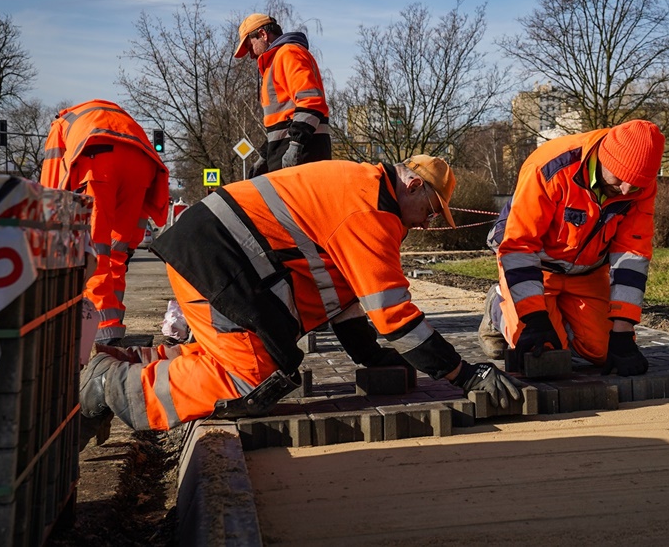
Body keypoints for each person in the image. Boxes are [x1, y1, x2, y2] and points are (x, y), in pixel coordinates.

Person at [78, 155, 522, 442]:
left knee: (233, 354)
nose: (426, 224)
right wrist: (465, 374)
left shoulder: (361, 188)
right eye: (429, 211)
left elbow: (347, 299)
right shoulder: (369, 210)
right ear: (412, 187)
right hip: (216, 261)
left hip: (214, 256)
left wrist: (371, 358)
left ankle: (131, 359)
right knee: (251, 378)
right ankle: (110, 385)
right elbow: (395, 316)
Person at [479, 119, 665, 377]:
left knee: (604, 351)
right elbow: (519, 245)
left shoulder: (639, 185)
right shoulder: (549, 167)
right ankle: (498, 309)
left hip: (587, 271)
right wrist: (534, 317)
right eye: (621, 179)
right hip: (537, 268)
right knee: (545, 352)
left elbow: (632, 255)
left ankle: (561, 320)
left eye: (636, 184)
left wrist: (623, 331)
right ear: (603, 157)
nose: (626, 190)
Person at [41, 99, 169, 346]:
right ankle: (113, 325)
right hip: (143, 164)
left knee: (93, 250)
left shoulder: (60, 124)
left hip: (99, 161)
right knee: (116, 254)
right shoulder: (106, 116)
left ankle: (103, 330)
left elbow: (51, 184)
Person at [234, 13, 331, 176]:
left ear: (262, 35)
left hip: (303, 156)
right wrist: (265, 155)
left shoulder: (288, 54)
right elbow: (281, 123)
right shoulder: (278, 60)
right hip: (293, 154)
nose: (251, 55)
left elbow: (311, 102)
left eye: (251, 47)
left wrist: (295, 147)